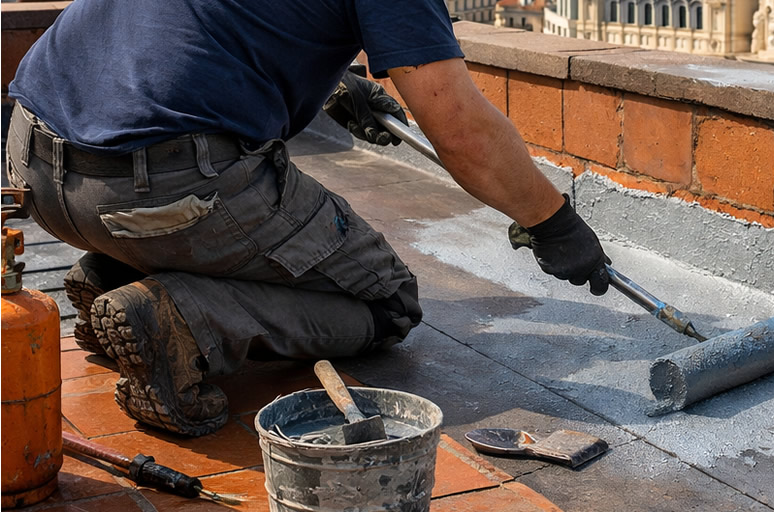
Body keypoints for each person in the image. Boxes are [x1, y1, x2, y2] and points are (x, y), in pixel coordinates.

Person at [5, 0, 610, 437]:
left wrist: (333, 86)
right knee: (387, 302)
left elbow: (202, 34)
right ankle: (181, 319)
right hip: (157, 193)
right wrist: (552, 221)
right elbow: (457, 126)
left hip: (31, 165)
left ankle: (113, 275)